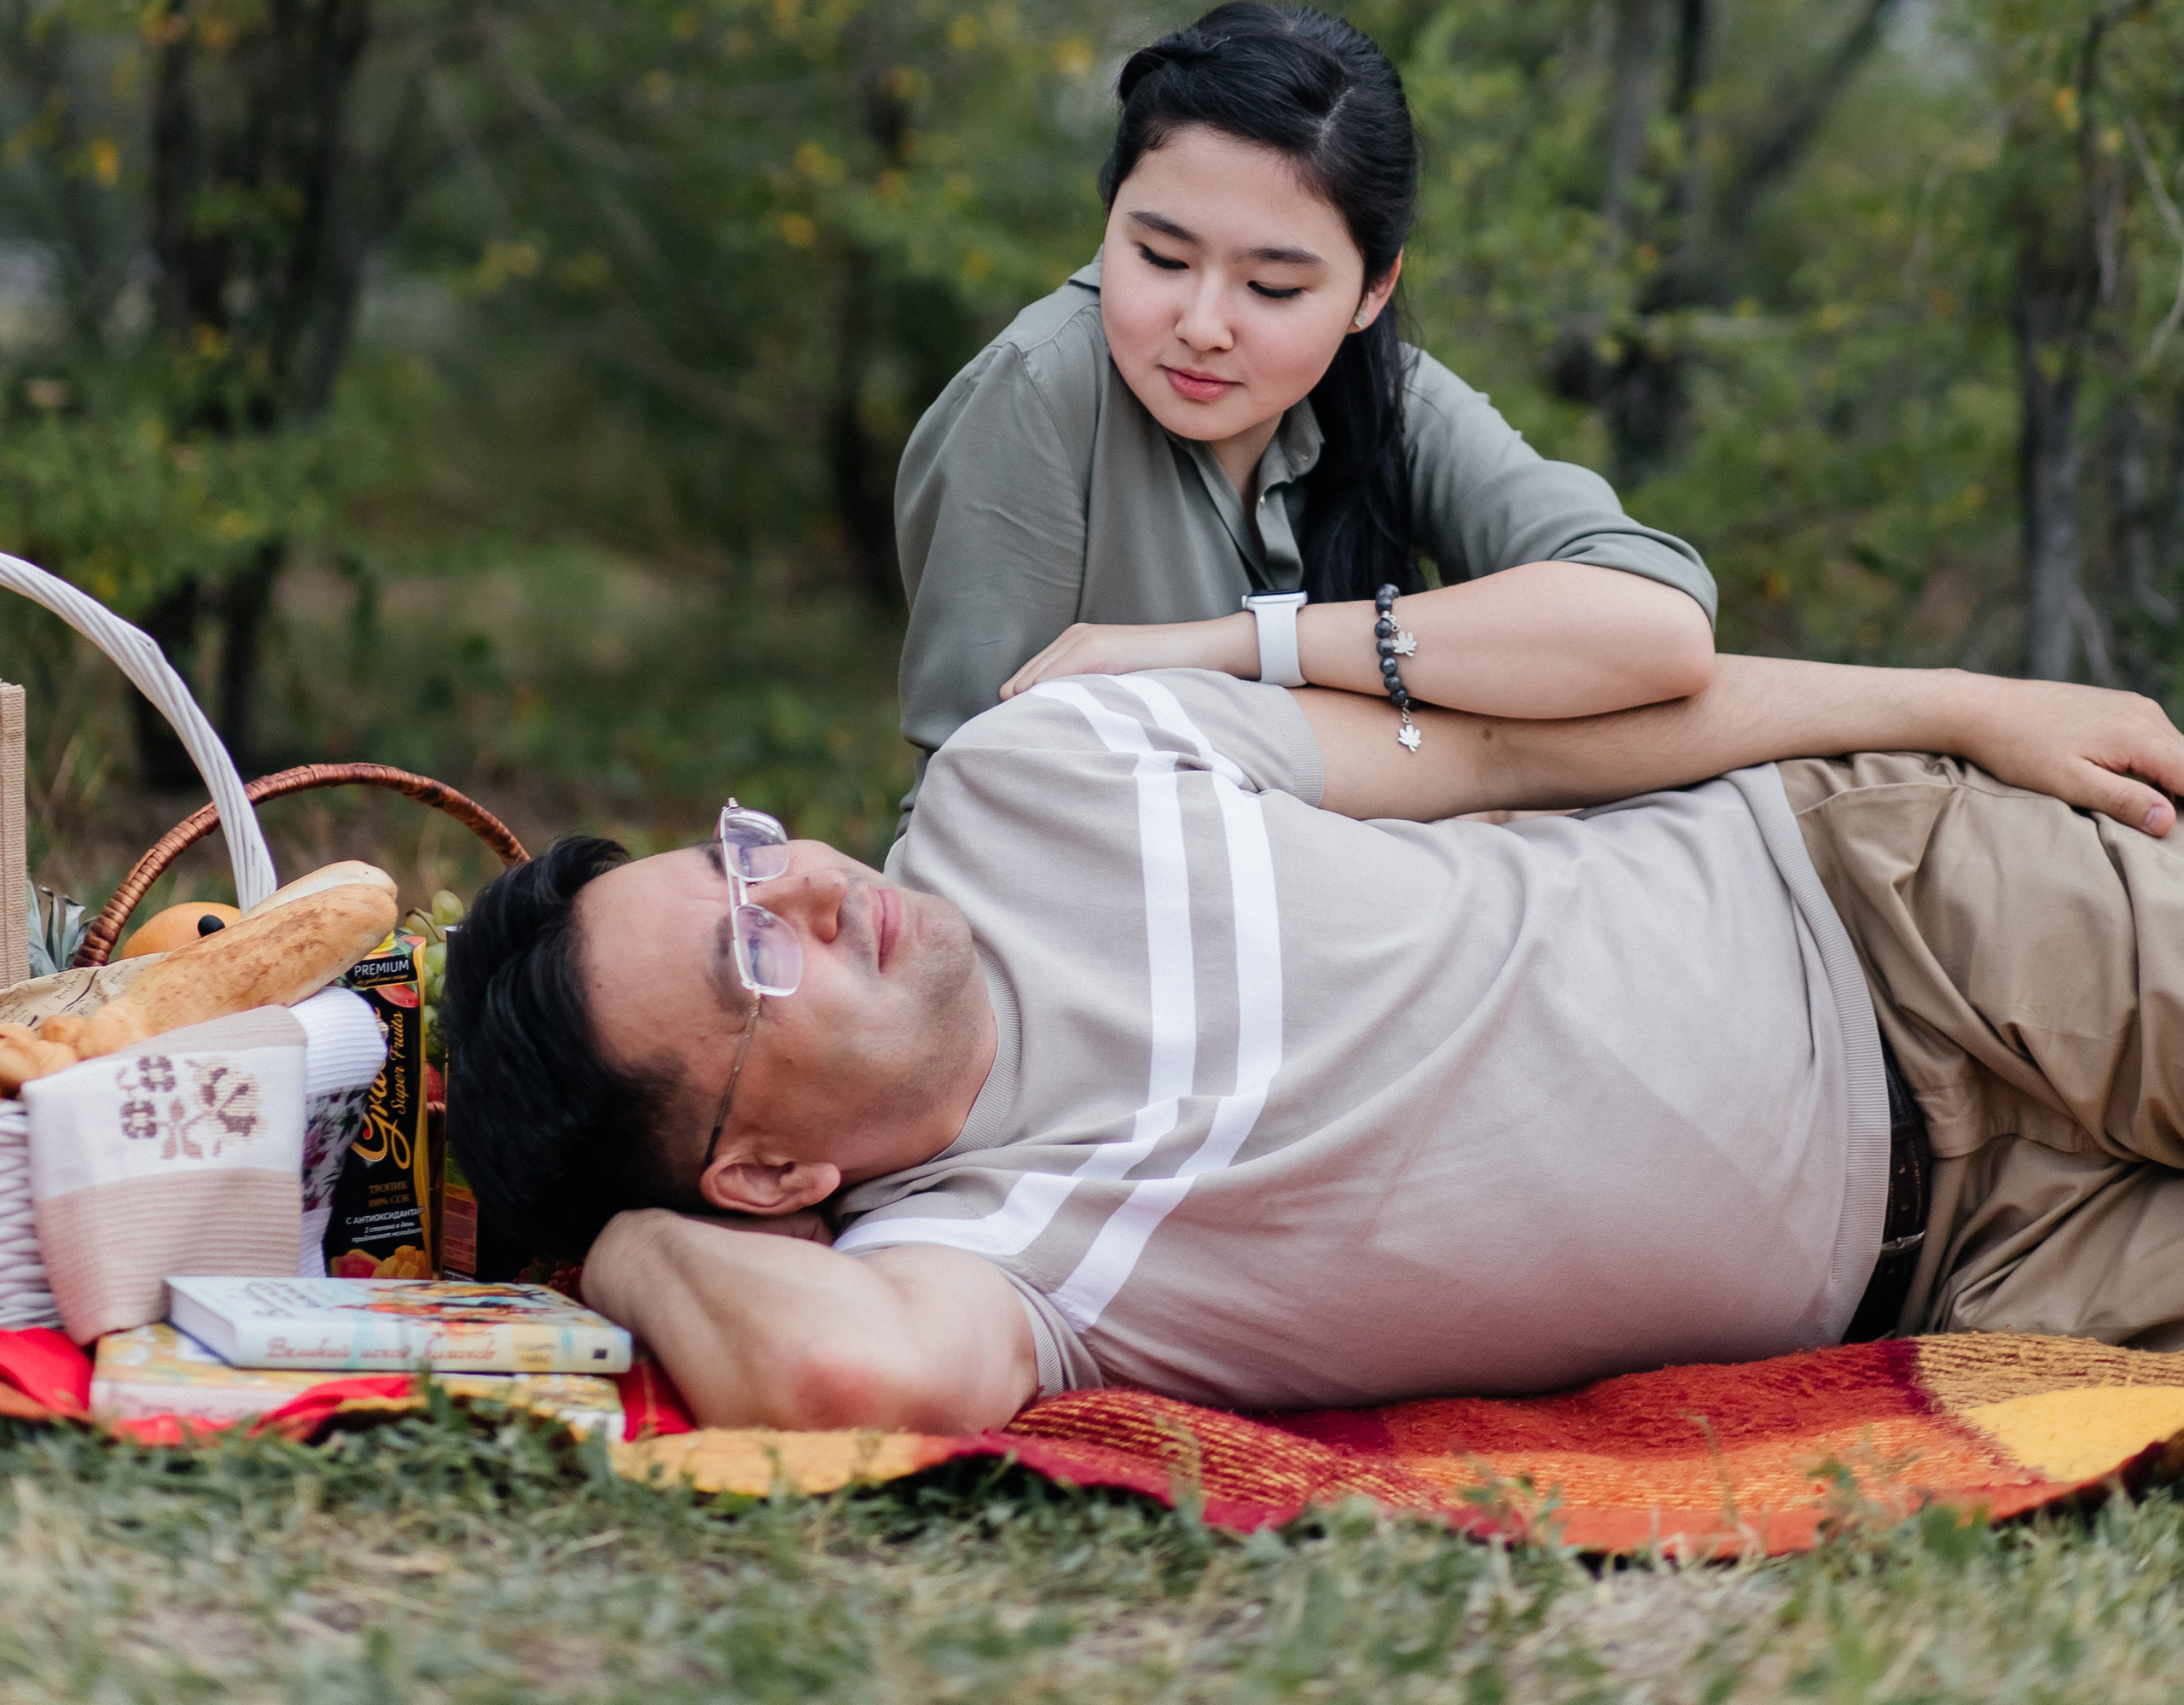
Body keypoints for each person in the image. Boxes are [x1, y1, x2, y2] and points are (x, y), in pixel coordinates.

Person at [445, 614, 2184, 1436]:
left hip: (1891, 913)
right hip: (1973, 1270)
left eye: (743, 856)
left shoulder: (1039, 770)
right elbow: (843, 1376)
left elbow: (1522, 749)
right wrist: (613, 1248)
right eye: (752, 954)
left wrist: (1967, 704)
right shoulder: (984, 1258)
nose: (809, 884)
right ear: (761, 1175)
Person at [895, 2, 1718, 802]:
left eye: (1272, 287)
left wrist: (1246, 646)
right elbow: (972, 792)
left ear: (1373, 288)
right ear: (1110, 217)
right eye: (1160, 257)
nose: (1204, 325)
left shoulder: (1390, 393)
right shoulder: (1038, 392)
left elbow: (1660, 630)